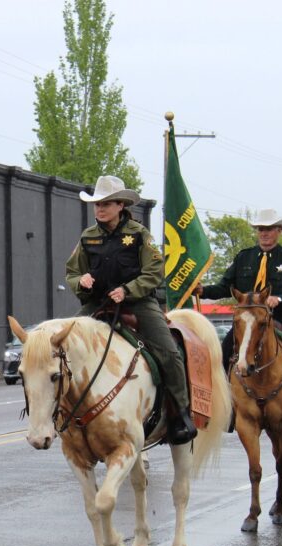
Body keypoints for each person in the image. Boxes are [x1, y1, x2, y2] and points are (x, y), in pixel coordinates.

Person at [65, 175, 197, 445]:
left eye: (106, 204)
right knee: (64, 345)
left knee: (170, 353)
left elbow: (154, 271)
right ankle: (64, 413)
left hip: (138, 303)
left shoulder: (139, 235)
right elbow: (72, 271)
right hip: (98, 303)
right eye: (97, 205)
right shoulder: (87, 237)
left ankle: (181, 414)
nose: (100, 209)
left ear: (120, 205)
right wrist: (81, 281)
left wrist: (128, 289)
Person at [193, 208, 282, 415]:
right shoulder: (243, 257)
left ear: (279, 231)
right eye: (261, 229)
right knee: (224, 351)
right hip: (249, 318)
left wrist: (279, 298)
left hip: (280, 315)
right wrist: (203, 290)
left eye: (269, 229)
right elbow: (225, 286)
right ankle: (223, 402)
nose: (264, 233)